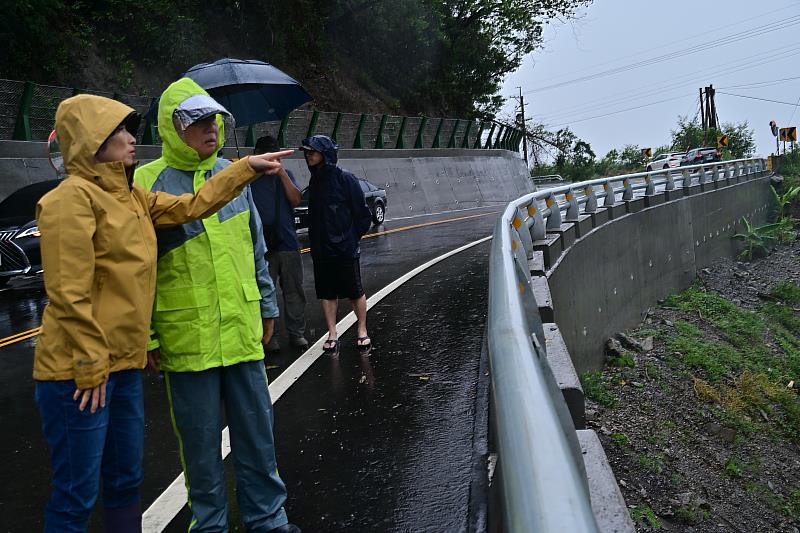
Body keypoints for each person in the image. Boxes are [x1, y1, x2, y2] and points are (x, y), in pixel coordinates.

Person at [33, 93, 290, 533]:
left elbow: (195, 205)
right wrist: (92, 364)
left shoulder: (133, 196)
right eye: (120, 131)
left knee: (125, 481)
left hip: (124, 366)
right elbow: (67, 292)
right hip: (79, 372)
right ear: (93, 140)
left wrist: (245, 168)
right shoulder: (70, 200)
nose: (132, 138)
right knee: (77, 492)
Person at [134, 78, 300, 533]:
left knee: (257, 436)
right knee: (200, 445)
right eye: (198, 121)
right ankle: (209, 525)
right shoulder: (145, 183)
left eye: (214, 119)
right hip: (187, 338)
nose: (210, 128)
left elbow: (254, 245)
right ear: (173, 127)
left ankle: (269, 520)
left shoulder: (233, 172)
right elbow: (140, 268)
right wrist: (146, 334)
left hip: (242, 327)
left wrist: (268, 304)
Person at [301, 134, 373, 355]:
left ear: (325, 154)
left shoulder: (346, 179)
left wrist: (350, 239)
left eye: (312, 151)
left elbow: (362, 215)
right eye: (307, 152)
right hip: (321, 249)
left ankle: (362, 329)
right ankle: (332, 333)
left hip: (345, 248)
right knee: (326, 292)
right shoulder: (314, 182)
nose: (308, 155)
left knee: (355, 291)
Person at [250, 135, 308, 352]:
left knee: (294, 291)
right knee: (264, 293)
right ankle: (269, 336)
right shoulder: (249, 179)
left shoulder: (286, 175)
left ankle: (297, 334)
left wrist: (282, 173)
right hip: (261, 247)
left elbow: (295, 200)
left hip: (287, 243)